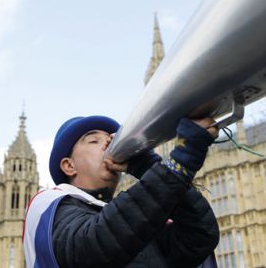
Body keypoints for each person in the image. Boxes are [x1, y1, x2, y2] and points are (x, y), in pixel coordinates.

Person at [23, 115, 221, 268]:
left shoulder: (136, 223)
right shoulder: (53, 209)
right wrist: (180, 162)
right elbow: (94, 247)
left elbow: (199, 237)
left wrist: (147, 166)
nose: (109, 145)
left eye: (111, 140)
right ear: (69, 166)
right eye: (94, 141)